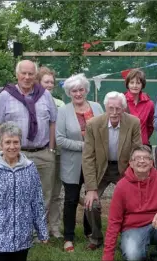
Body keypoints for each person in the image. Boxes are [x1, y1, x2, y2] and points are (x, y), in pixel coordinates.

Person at [0, 59, 58, 245]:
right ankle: (18, 230)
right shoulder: (5, 96)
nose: (27, 77)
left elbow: (53, 121)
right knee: (16, 194)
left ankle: (39, 231)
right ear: (17, 75)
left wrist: (52, 148)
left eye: (31, 74)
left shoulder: (45, 95)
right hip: (15, 155)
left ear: (35, 75)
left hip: (43, 152)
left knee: (44, 194)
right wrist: (1, 152)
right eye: (24, 73)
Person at [0, 122, 49, 261]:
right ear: (1, 144)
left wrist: (42, 231)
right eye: (8, 142)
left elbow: (37, 202)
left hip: (22, 236)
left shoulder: (30, 168)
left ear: (20, 143)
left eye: (16, 142)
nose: (12, 146)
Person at [82, 91, 142, 250]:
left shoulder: (134, 123)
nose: (114, 113)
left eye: (118, 108)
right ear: (105, 108)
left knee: (133, 202)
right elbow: (88, 157)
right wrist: (91, 188)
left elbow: (137, 153)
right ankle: (96, 238)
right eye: (111, 108)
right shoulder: (93, 124)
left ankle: (128, 236)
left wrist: (132, 180)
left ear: (124, 108)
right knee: (91, 204)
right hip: (101, 168)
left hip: (125, 168)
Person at [102, 145, 157, 261]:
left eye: (146, 158)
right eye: (137, 158)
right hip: (133, 228)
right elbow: (114, 221)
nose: (141, 161)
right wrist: (107, 257)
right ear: (131, 162)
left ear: (151, 162)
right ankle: (129, 244)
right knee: (134, 256)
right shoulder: (121, 186)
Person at [55, 73, 104, 252]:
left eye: (81, 89)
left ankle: (89, 230)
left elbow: (105, 132)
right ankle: (68, 236)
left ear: (86, 90)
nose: (78, 93)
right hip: (72, 164)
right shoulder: (63, 111)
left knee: (92, 198)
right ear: (69, 92)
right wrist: (84, 146)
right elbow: (59, 139)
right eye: (74, 90)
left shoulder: (98, 107)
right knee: (71, 200)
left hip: (94, 163)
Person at [36, 66, 65, 239]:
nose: (49, 85)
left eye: (52, 82)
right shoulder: (32, 102)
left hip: (58, 154)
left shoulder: (60, 104)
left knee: (55, 192)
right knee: (40, 193)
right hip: (39, 153)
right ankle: (39, 228)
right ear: (38, 83)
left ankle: (54, 226)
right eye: (46, 81)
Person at [124, 69, 154, 149]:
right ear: (127, 84)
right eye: (132, 82)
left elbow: (150, 126)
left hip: (142, 145)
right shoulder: (121, 101)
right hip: (125, 145)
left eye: (138, 83)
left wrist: (144, 137)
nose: (135, 86)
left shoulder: (149, 104)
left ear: (142, 85)